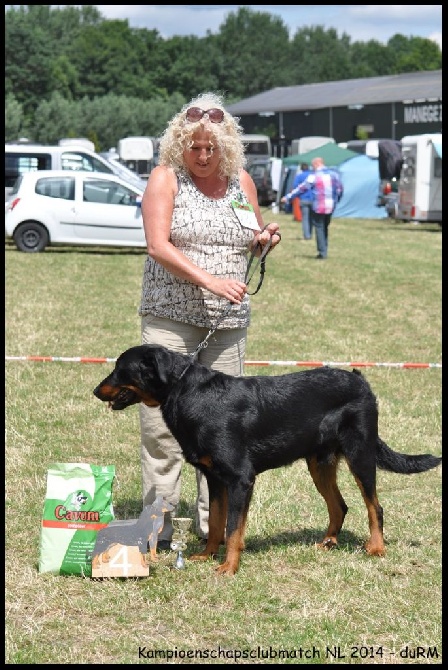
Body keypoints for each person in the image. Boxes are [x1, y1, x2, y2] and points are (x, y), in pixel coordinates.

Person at [138, 92, 281, 546]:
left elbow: (250, 236)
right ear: (179, 144)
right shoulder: (166, 178)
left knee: (221, 432)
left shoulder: (241, 180)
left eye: (211, 148)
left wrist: (263, 240)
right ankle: (157, 530)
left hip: (227, 323)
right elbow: (158, 245)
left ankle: (212, 531)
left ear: (227, 146)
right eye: (194, 147)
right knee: (163, 433)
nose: (202, 155)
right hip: (171, 320)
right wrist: (210, 281)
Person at [281, 156, 343, 259]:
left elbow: (301, 188)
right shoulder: (334, 174)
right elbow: (340, 190)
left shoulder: (314, 176)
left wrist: (288, 197)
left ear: (316, 164)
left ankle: (322, 253)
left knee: (319, 228)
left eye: (313, 165)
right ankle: (325, 248)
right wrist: (336, 202)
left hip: (319, 206)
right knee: (325, 227)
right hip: (330, 207)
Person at [288, 162, 313, 240]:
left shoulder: (299, 176)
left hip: (304, 199)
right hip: (313, 199)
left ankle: (307, 235)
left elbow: (295, 187)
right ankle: (310, 233)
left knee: (305, 218)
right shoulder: (312, 175)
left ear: (301, 168)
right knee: (311, 218)